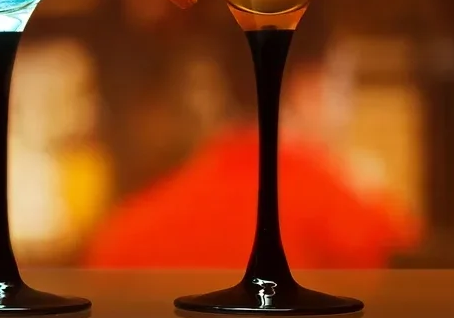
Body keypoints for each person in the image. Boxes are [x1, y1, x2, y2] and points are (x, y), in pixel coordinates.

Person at [84, 56, 418, 269]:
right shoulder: (355, 219)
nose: (349, 111)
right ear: (310, 87)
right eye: (345, 88)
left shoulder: (125, 233)